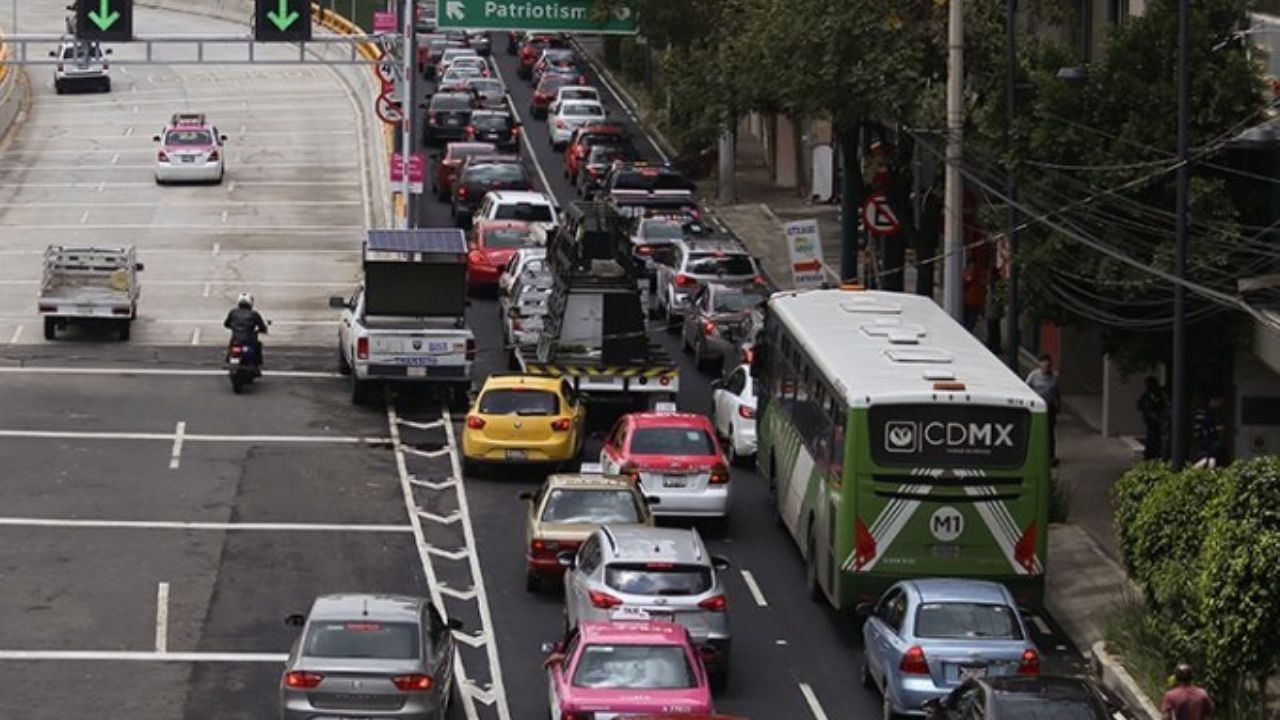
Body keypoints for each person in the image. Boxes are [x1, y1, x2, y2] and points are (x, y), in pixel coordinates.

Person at [1025, 354, 1061, 466]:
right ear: (1040, 365)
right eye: (1044, 365)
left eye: (1048, 366)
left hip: (1049, 407)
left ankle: (1051, 456)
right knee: (1036, 430)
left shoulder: (1054, 378)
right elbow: (1026, 388)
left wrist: (1058, 405)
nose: (1046, 368)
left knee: (1049, 432)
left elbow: (1057, 393)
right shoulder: (1033, 376)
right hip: (1037, 406)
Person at [223, 292, 268, 364]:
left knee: (231, 347)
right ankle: (257, 364)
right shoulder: (254, 314)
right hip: (248, 341)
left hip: (236, 341)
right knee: (257, 347)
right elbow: (262, 327)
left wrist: (234, 326)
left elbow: (226, 324)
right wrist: (262, 329)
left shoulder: (233, 312)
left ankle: (228, 359)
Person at [1137, 376, 1169, 461]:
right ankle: (1150, 456)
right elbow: (1139, 405)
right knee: (1151, 440)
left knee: (1158, 440)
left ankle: (1158, 456)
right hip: (1151, 421)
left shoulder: (1160, 394)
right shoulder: (1147, 395)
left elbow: (1164, 405)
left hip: (1159, 421)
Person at [1190, 395, 1227, 469]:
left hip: (1208, 447)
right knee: (1209, 461)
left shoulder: (1212, 412)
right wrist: (1215, 429)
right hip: (1203, 448)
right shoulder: (1203, 413)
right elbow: (1201, 431)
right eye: (1219, 401)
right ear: (1212, 400)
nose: (1220, 404)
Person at [962, 257, 986, 331]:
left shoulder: (978, 274)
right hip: (971, 301)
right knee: (968, 321)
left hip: (974, 301)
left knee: (970, 322)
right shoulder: (969, 274)